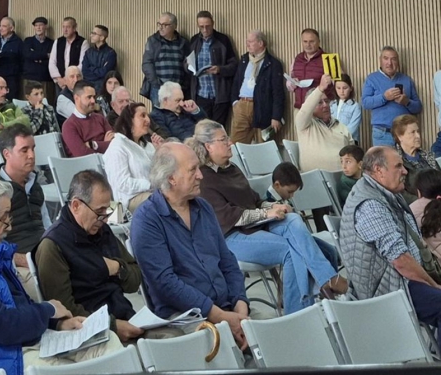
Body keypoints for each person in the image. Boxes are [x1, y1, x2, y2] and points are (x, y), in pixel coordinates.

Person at [0, 174, 116, 375]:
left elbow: (16, 305)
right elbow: (4, 327)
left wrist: (57, 323)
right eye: (5, 216)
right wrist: (48, 310)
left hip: (12, 346)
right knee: (81, 370)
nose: (9, 225)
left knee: (108, 343)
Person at [188, 120, 346, 313]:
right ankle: (299, 311)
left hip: (254, 226)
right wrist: (266, 213)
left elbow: (254, 200)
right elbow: (229, 217)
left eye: (228, 138)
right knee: (294, 249)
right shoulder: (204, 178)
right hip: (230, 237)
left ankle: (325, 283)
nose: (230, 143)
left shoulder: (231, 168)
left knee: (294, 219)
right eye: (223, 140)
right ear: (208, 146)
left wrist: (274, 206)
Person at [131, 143, 251, 349]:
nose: (200, 175)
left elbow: (227, 260)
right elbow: (165, 284)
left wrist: (241, 306)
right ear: (171, 178)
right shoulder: (147, 220)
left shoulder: (203, 207)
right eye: (192, 169)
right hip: (185, 317)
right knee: (222, 346)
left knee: (273, 337)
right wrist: (220, 316)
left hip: (228, 307)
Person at [340, 146, 441, 349]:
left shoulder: (382, 192)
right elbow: (401, 261)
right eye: (398, 166)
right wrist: (434, 285)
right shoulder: (370, 204)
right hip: (390, 288)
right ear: (379, 170)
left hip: (401, 279)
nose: (405, 171)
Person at [36, 170, 143, 343]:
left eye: (108, 210)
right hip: (91, 334)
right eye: (99, 211)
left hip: (124, 317)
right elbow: (65, 311)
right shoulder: (53, 245)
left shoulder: (102, 230)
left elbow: (135, 280)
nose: (105, 219)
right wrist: (113, 326)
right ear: (76, 205)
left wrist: (117, 268)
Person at [0, 123, 45, 296]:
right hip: (16, 263)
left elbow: (48, 224)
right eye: (24, 150)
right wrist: (19, 258)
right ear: (7, 154)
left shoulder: (35, 186)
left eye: (33, 149)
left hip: (44, 255)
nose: (31, 155)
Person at [105, 102, 163, 212]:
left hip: (153, 193)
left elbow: (159, 173)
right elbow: (121, 183)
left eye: (147, 116)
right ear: (130, 120)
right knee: (164, 201)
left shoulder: (148, 146)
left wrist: (160, 152)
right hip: (129, 201)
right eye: (142, 116)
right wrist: (149, 184)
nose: (148, 120)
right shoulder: (117, 146)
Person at [230, 30, 285, 145]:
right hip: (242, 105)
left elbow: (278, 93)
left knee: (263, 146)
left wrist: (276, 116)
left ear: (260, 43)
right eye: (247, 41)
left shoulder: (273, 64)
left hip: (262, 107)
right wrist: (235, 102)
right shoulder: (244, 60)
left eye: (250, 41)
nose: (247, 44)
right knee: (236, 145)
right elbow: (236, 83)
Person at [363, 46, 422, 147]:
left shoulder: (406, 79)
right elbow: (365, 103)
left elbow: (418, 107)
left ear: (398, 61)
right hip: (382, 134)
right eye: (386, 58)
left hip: (405, 133)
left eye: (393, 59)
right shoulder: (371, 79)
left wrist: (406, 101)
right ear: (380, 60)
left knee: (407, 163)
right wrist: (384, 97)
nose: (389, 63)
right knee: (384, 163)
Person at [295, 74, 354, 171]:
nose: (325, 105)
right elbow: (305, 110)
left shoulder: (341, 126)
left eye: (326, 101)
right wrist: (320, 89)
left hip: (344, 178)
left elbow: (353, 152)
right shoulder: (305, 124)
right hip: (316, 180)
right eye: (319, 102)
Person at [188, 11, 237, 124]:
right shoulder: (194, 41)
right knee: (202, 130)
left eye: (208, 26)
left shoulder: (223, 40)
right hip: (200, 94)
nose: (205, 30)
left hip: (219, 95)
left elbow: (234, 65)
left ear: (213, 23)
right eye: (201, 27)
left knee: (218, 129)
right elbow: (186, 63)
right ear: (197, 25)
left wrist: (220, 69)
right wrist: (188, 66)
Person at [141, 12, 187, 104]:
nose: (160, 27)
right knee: (159, 116)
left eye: (165, 25)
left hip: (177, 89)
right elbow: (147, 63)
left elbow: (187, 64)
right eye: (159, 24)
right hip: (159, 88)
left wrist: (184, 84)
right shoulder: (153, 41)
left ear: (174, 26)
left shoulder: (183, 42)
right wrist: (156, 83)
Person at [394, 113, 440, 202]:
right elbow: (399, 192)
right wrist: (424, 203)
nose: (418, 136)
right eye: (412, 132)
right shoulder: (396, 160)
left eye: (418, 131)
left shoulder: (428, 156)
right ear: (400, 136)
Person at [61, 81, 114, 158]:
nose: (93, 101)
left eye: (94, 97)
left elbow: (115, 144)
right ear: (76, 98)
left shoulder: (100, 118)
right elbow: (82, 155)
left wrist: (94, 145)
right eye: (89, 97)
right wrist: (105, 144)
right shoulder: (69, 126)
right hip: (85, 168)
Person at [288, 28, 334, 110]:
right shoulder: (297, 58)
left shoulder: (328, 59)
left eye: (311, 41)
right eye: (305, 41)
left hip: (320, 109)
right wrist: (290, 82)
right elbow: (291, 77)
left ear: (319, 42)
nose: (308, 45)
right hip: (300, 108)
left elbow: (339, 83)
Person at [48, 17, 85, 95]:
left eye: (68, 27)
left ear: (74, 28)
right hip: (60, 82)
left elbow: (82, 63)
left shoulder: (82, 42)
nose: (65, 30)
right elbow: (52, 62)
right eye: (63, 27)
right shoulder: (58, 41)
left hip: (75, 82)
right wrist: (59, 79)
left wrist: (69, 78)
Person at [23, 16, 54, 103]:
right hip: (30, 77)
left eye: (41, 25)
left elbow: (52, 59)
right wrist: (45, 55)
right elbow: (28, 55)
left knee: (45, 103)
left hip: (45, 78)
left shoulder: (51, 43)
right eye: (36, 25)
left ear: (45, 27)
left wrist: (36, 57)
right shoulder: (28, 41)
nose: (38, 27)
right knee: (29, 104)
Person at [0, 16, 23, 99]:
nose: (0, 28)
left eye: (4, 26)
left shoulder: (18, 42)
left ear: (11, 28)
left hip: (11, 78)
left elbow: (21, 61)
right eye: (0, 26)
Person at [81, 25, 118, 92]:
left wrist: (91, 68)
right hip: (87, 86)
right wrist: (97, 70)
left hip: (102, 88)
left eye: (94, 34)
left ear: (102, 37)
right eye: (91, 33)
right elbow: (84, 70)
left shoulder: (110, 53)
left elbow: (105, 73)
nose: (91, 35)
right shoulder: (88, 52)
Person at [331, 74, 361, 142]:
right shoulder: (332, 105)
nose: (341, 91)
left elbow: (353, 128)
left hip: (349, 141)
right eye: (338, 88)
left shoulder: (355, 106)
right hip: (332, 140)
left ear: (350, 88)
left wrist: (339, 137)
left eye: (345, 88)